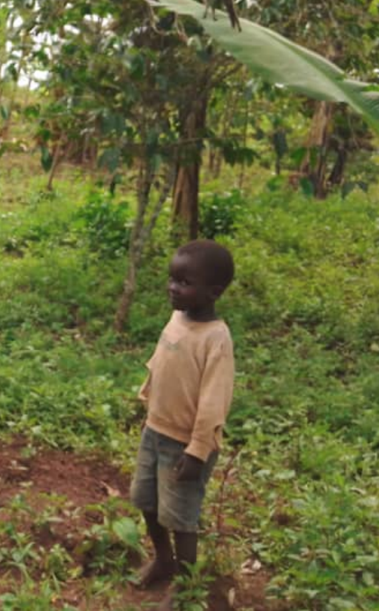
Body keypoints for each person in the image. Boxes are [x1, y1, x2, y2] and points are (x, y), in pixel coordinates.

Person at [131, 239, 236, 609]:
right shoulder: (178, 317)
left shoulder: (216, 339)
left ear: (213, 291)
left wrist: (197, 452)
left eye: (184, 282)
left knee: (181, 517)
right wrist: (146, 399)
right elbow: (161, 361)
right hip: (155, 430)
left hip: (185, 445)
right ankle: (163, 559)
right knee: (146, 501)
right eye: (172, 279)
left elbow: (213, 402)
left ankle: (187, 584)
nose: (173, 288)